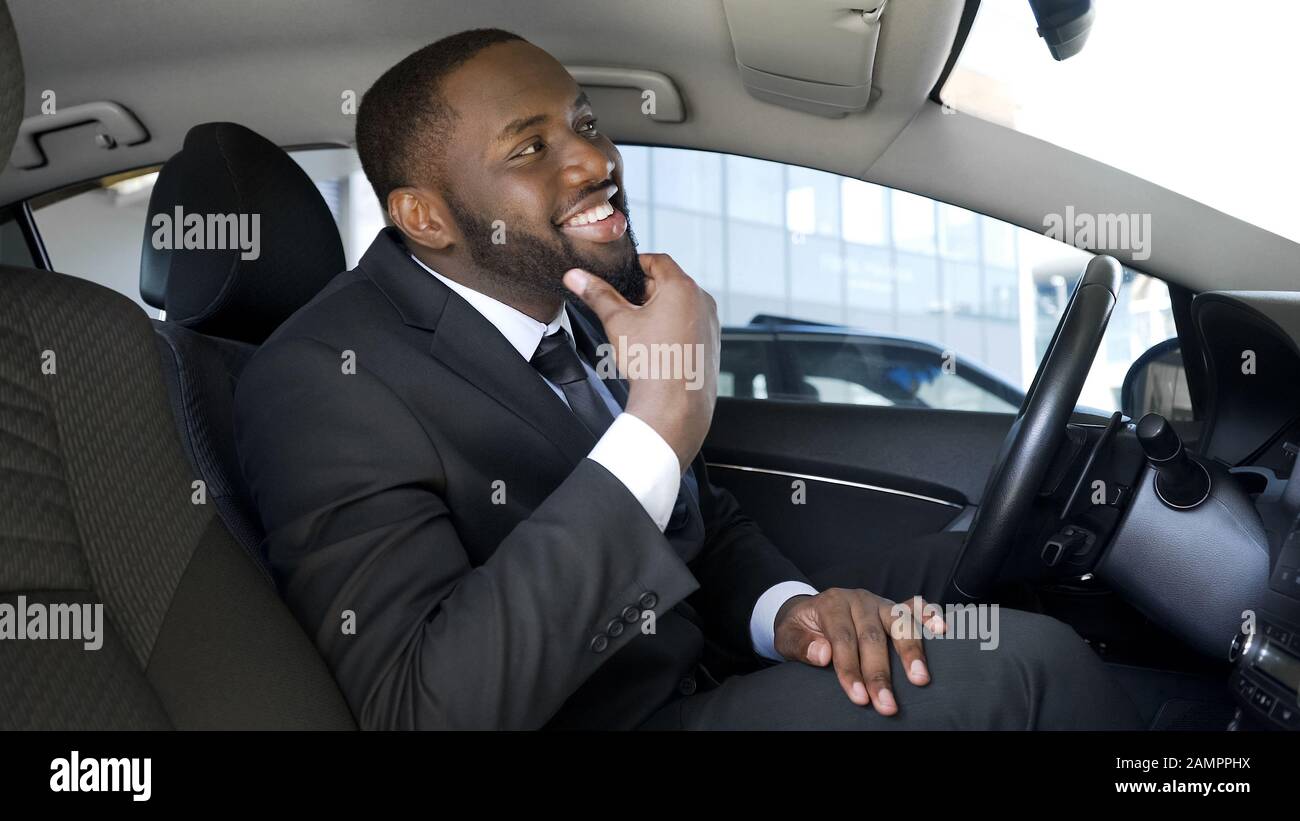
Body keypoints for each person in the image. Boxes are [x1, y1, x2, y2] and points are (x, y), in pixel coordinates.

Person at [232, 28, 1141, 730]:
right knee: (1030, 669)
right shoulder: (321, 380)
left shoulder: (582, 307)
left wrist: (789, 614)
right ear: (425, 216)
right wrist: (662, 418)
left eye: (584, 122)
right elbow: (421, 708)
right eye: (529, 148)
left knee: (982, 566)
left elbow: (699, 530)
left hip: (700, 663)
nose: (595, 160)